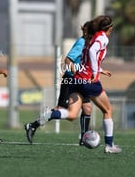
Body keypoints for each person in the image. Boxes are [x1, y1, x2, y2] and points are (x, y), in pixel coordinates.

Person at [24, 16, 122, 154]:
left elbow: (87, 59)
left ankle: (47, 116)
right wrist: (95, 72)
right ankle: (109, 145)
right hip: (87, 80)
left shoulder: (89, 39)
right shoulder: (101, 38)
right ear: (109, 28)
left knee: (72, 114)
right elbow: (92, 53)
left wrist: (99, 70)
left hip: (77, 79)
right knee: (107, 111)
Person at [24, 21, 93, 145]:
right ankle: (33, 125)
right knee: (62, 109)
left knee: (87, 108)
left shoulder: (89, 45)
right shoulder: (81, 43)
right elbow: (68, 60)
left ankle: (83, 138)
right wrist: (76, 72)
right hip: (71, 80)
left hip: (82, 81)